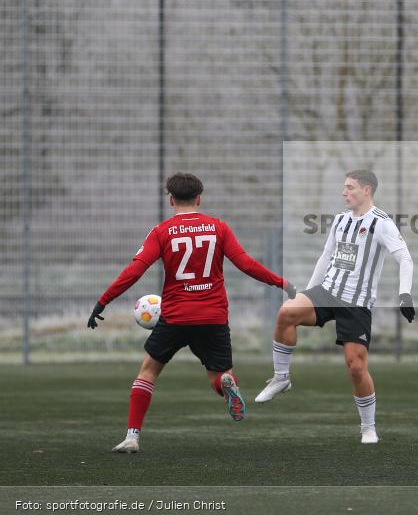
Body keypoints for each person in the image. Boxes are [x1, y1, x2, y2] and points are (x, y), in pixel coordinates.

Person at [88, 173, 296, 453]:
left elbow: (134, 271)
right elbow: (245, 263)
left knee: (148, 371)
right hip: (213, 317)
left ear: (171, 199)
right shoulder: (218, 228)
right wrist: (280, 282)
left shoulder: (161, 232)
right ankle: (228, 385)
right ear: (199, 198)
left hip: (175, 316)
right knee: (217, 378)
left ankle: (132, 436)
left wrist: (103, 302)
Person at [254, 170, 415, 444]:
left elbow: (406, 259)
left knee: (356, 367)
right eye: (344, 187)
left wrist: (405, 295)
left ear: (366, 190)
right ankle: (281, 378)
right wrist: (305, 291)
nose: (344, 192)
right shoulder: (340, 221)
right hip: (327, 292)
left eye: (350, 187)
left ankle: (368, 427)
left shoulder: (382, 223)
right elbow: (326, 256)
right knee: (286, 313)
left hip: (357, 303)